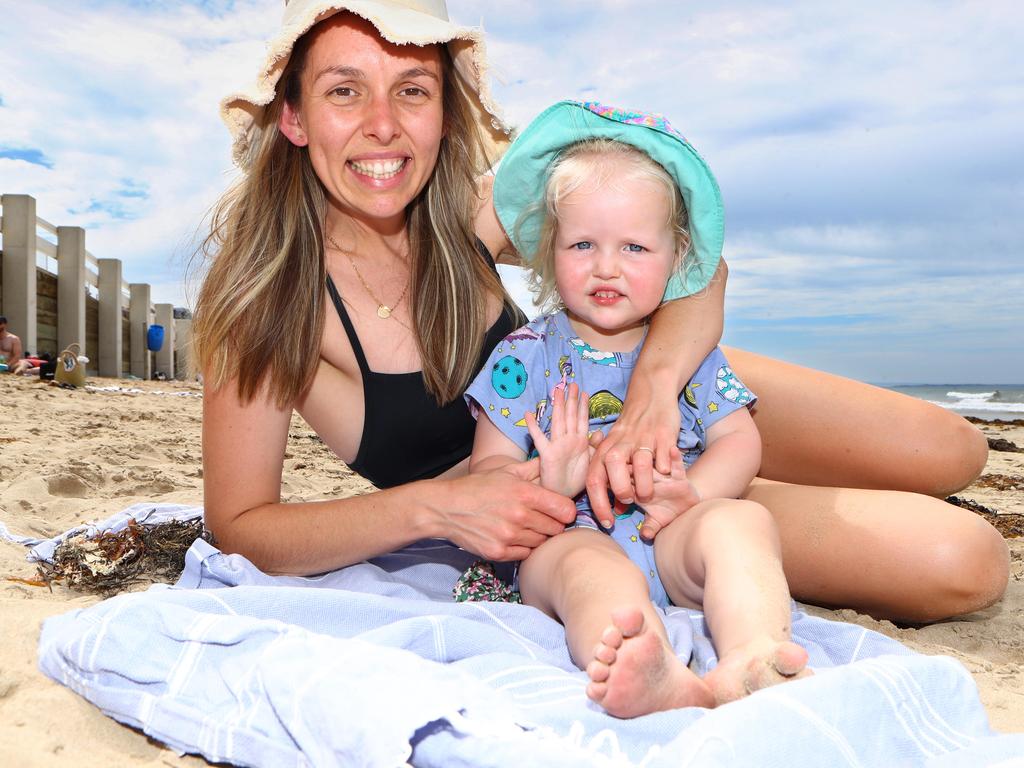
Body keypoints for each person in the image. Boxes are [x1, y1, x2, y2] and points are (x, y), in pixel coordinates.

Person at [194, 0, 1006, 624]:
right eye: (345, 91)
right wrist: (430, 507)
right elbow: (241, 525)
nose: (383, 124)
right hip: (594, 505)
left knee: (952, 448)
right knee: (960, 558)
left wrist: (654, 399)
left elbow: (701, 264)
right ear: (293, 117)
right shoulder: (269, 308)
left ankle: (781, 479)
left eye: (413, 90)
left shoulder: (472, 219)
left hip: (661, 395)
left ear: (444, 111)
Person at [467, 109, 811, 714]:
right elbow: (485, 475)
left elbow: (739, 441)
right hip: (564, 534)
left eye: (633, 246)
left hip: (669, 533)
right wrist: (548, 482)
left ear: (675, 256)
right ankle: (646, 661)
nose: (606, 266)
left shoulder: (690, 354)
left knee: (743, 525)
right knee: (587, 569)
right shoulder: (524, 357)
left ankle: (753, 656)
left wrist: (695, 495)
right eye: (582, 245)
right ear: (549, 250)